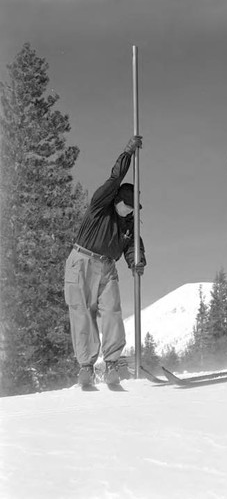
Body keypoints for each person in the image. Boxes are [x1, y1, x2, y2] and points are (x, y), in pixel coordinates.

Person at [64, 136, 146, 387]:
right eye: (127, 206)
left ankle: (112, 363)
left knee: (112, 311)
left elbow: (134, 245)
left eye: (134, 208)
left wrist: (136, 261)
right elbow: (114, 179)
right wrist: (127, 154)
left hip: (108, 266)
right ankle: (86, 367)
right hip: (82, 262)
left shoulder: (129, 222)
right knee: (82, 314)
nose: (130, 210)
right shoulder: (100, 206)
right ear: (117, 201)